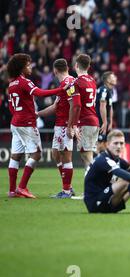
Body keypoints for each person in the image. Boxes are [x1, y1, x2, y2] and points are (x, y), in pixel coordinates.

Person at [6, 53, 66, 198]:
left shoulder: (11, 84)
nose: (30, 66)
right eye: (27, 64)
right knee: (37, 154)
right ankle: (22, 187)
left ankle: (12, 190)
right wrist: (60, 90)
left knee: (15, 156)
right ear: (21, 68)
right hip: (26, 123)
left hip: (15, 123)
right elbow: (39, 93)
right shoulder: (24, 82)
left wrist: (19, 115)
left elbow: (11, 108)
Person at [37, 58, 76, 198]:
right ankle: (68, 186)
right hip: (59, 125)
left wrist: (71, 125)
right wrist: (37, 114)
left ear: (55, 70)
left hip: (65, 124)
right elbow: (55, 107)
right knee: (55, 154)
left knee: (66, 156)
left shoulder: (68, 83)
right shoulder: (64, 84)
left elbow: (74, 105)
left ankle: (66, 190)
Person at [66, 54, 99, 170]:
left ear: (76, 66)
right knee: (86, 156)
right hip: (94, 120)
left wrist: (73, 125)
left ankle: (108, 176)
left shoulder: (76, 83)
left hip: (85, 121)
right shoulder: (92, 80)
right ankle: (90, 187)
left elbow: (77, 106)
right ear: (89, 66)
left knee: (86, 155)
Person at [95, 71, 117, 153]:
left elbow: (110, 107)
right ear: (108, 80)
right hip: (99, 120)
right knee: (100, 145)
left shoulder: (111, 91)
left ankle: (102, 163)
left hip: (105, 120)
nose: (115, 78)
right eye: (113, 77)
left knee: (105, 144)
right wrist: (104, 122)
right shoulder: (103, 90)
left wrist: (110, 122)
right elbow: (102, 106)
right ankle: (95, 164)